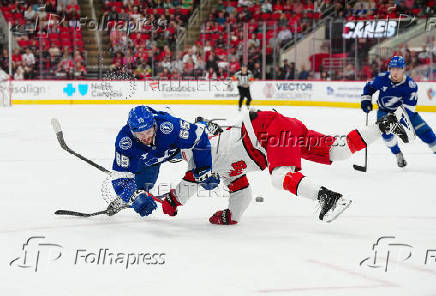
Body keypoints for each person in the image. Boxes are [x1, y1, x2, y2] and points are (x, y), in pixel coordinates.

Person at [155, 108, 409, 225]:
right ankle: (386, 124)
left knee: (280, 178)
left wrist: (172, 202)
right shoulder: (219, 167)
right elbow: (241, 193)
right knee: (337, 150)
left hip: (267, 131)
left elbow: (190, 181)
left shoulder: (200, 148)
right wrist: (230, 216)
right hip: (281, 129)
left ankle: (328, 198)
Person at [108, 106, 219, 218]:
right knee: (140, 190)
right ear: (132, 131)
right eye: (140, 134)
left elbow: (199, 137)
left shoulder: (170, 127)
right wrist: (133, 196)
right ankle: (125, 199)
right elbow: (120, 176)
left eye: (149, 131)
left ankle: (202, 123)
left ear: (154, 125)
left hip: (175, 150)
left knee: (206, 141)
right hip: (148, 162)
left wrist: (204, 168)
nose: (146, 138)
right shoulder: (125, 141)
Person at [361, 56, 436, 167]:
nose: (395, 72)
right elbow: (369, 88)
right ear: (389, 69)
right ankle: (397, 154)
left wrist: (394, 120)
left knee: (425, 132)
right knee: (387, 136)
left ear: (403, 69)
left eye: (398, 69)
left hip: (406, 114)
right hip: (384, 112)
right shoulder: (381, 78)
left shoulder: (410, 85)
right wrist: (366, 100)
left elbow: (408, 110)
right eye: (392, 69)